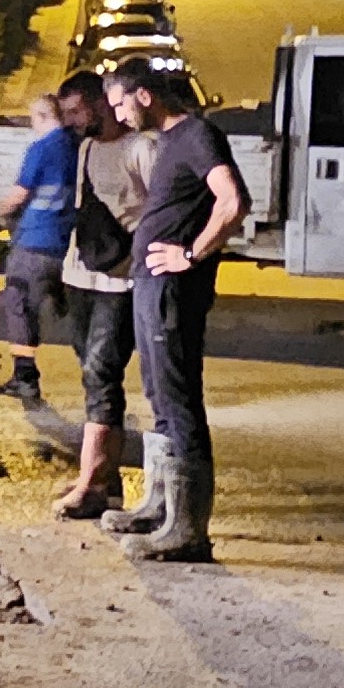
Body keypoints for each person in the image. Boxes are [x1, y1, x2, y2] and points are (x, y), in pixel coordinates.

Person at [102, 60, 247, 562]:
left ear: (143, 95)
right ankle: (160, 508)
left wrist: (190, 254)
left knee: (178, 397)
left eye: (121, 103)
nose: (118, 117)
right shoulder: (169, 142)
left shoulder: (197, 136)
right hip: (151, 286)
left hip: (172, 292)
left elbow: (232, 202)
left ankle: (188, 530)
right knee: (159, 394)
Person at [52, 86, 149, 520]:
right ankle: (102, 481)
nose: (71, 120)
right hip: (81, 274)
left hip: (120, 281)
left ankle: (93, 482)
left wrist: (138, 259)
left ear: (98, 104)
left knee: (101, 371)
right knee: (90, 373)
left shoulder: (140, 148)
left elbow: (159, 212)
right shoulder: (88, 147)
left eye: (76, 111)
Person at [0, 74, 106, 403]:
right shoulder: (76, 145)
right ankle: (95, 378)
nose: (32, 125)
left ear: (43, 117)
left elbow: (18, 196)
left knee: (18, 302)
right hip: (64, 245)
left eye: (33, 119)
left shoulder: (41, 149)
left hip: (34, 242)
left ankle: (25, 376)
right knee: (73, 314)